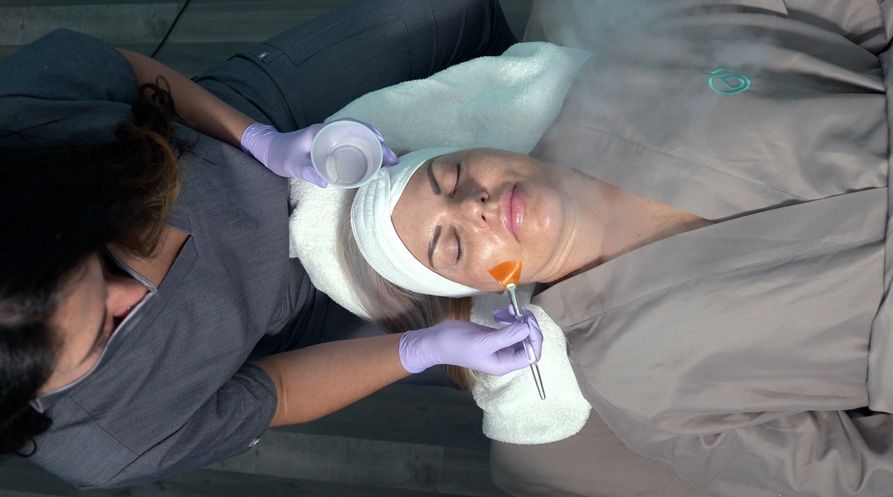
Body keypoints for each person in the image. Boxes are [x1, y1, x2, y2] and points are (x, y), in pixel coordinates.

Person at [340, 1, 893, 496]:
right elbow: (850, 477)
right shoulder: (638, 386)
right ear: (484, 287)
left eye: (452, 174)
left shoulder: (639, 62)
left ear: (473, 143)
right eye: (454, 245)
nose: (474, 206)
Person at [0, 0, 544, 488]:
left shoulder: (18, 123)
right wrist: (423, 349)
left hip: (245, 128)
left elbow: (123, 71)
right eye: (103, 334)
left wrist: (258, 139)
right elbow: (276, 392)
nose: (134, 296)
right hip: (308, 293)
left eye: (100, 264)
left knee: (455, 14)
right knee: (528, 261)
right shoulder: (107, 444)